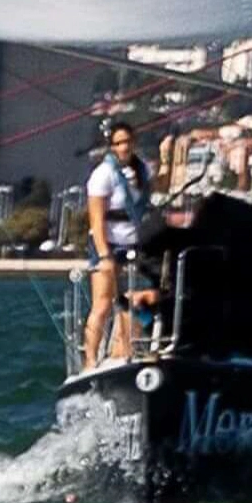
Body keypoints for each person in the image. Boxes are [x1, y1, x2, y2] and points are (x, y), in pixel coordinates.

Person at [82, 120, 154, 363]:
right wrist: (104, 255)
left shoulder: (142, 170)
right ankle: (90, 359)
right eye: (119, 143)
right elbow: (96, 219)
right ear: (111, 146)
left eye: (128, 142)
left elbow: (156, 189)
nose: (124, 147)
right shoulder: (103, 175)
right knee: (102, 304)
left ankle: (124, 350)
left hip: (134, 243)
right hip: (108, 243)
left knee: (134, 299)